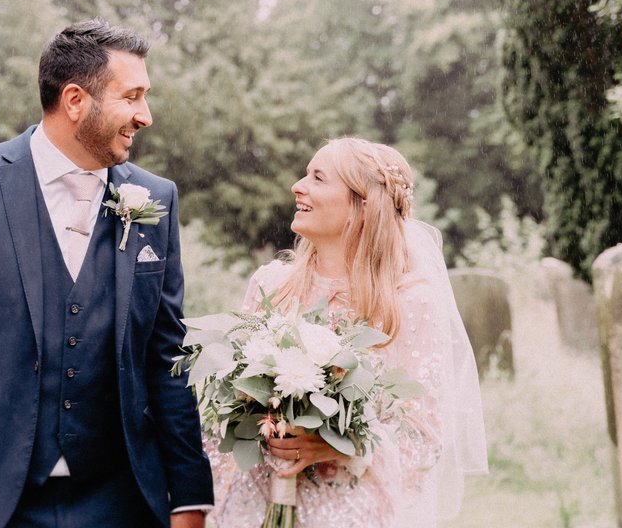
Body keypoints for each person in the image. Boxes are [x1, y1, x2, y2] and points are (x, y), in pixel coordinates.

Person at [0, 19, 213, 528]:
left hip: (120, 500)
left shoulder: (155, 199)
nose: (146, 116)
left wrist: (188, 494)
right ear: (75, 100)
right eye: (132, 96)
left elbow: (167, 357)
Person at [208, 138, 488, 528]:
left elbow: (422, 438)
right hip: (258, 504)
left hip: (351, 512)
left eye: (318, 178)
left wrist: (342, 445)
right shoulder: (271, 284)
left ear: (361, 205)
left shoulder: (409, 302)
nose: (298, 186)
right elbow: (229, 405)